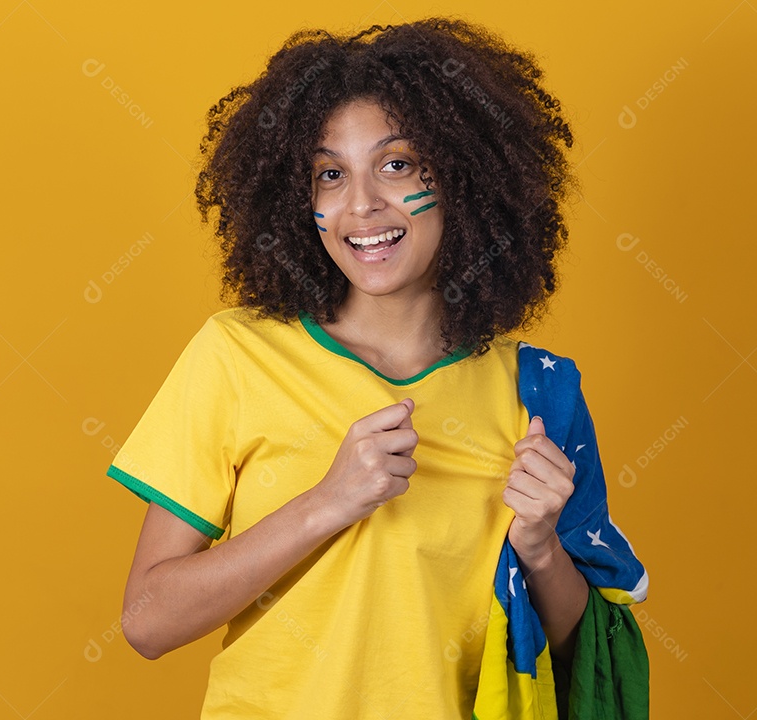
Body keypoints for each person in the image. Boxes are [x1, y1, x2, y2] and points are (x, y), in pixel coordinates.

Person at [106, 17, 644, 719]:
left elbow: (586, 665)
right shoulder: (237, 354)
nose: (361, 205)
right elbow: (148, 621)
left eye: (396, 165)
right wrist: (328, 502)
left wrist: (541, 549)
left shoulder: (537, 392)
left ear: (462, 177)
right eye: (330, 174)